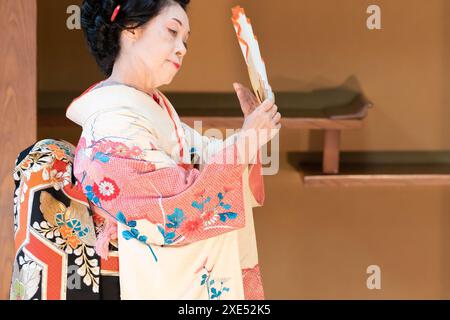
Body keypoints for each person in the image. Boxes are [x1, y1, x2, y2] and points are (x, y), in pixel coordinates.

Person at [65, 0, 281, 299]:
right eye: (172, 32)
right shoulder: (111, 124)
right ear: (130, 30)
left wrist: (252, 134)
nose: (182, 48)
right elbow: (175, 208)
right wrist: (245, 142)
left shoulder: (150, 106)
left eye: (185, 40)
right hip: (142, 273)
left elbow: (205, 155)